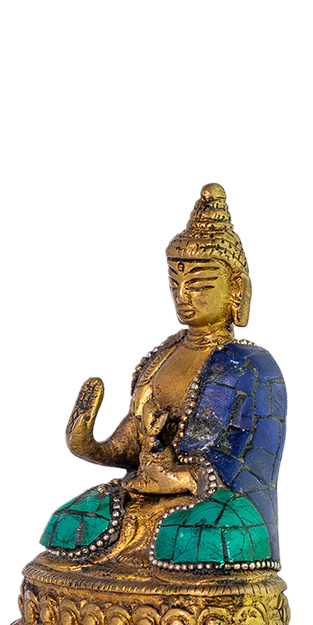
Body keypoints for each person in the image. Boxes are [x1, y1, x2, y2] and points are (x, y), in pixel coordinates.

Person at [40, 183, 286, 572]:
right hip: (147, 494)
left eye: (199, 285)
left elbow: (248, 465)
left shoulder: (251, 365)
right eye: (176, 284)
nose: (183, 296)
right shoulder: (162, 356)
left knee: (194, 538)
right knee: (71, 522)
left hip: (216, 502)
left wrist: (180, 477)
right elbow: (134, 442)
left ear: (235, 288)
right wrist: (87, 444)